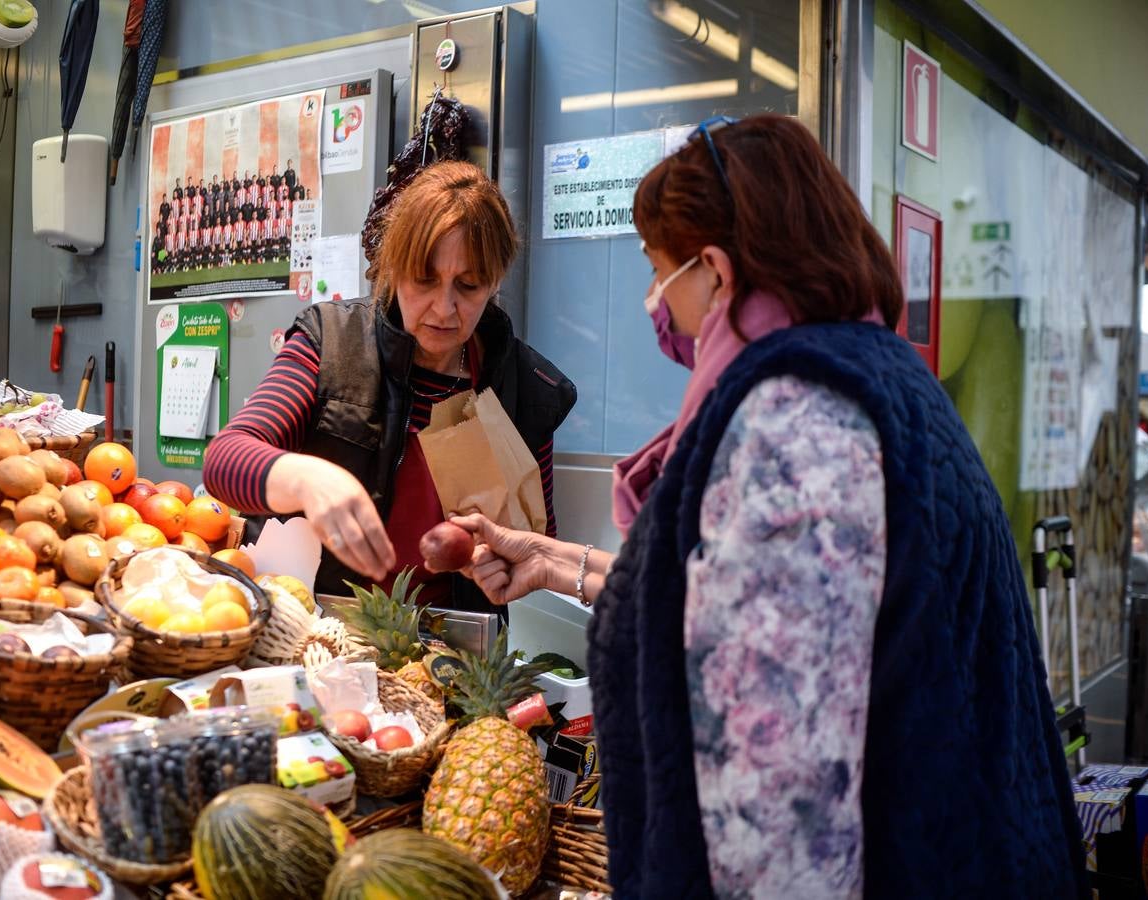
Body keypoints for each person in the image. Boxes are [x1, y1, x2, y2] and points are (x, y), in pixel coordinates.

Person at [453, 114, 1086, 898]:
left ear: (715, 271)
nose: (656, 305)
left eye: (659, 273)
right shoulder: (877, 377)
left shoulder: (796, 423)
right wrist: (554, 562)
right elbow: (755, 610)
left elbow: (780, 806)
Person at [203, 160, 576, 613]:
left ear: (495, 282)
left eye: (469, 285)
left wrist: (505, 560)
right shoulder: (334, 342)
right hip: (315, 628)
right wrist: (308, 480)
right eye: (424, 280)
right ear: (393, 267)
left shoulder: (526, 388)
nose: (445, 307)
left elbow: (539, 541)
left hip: (449, 644)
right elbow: (225, 459)